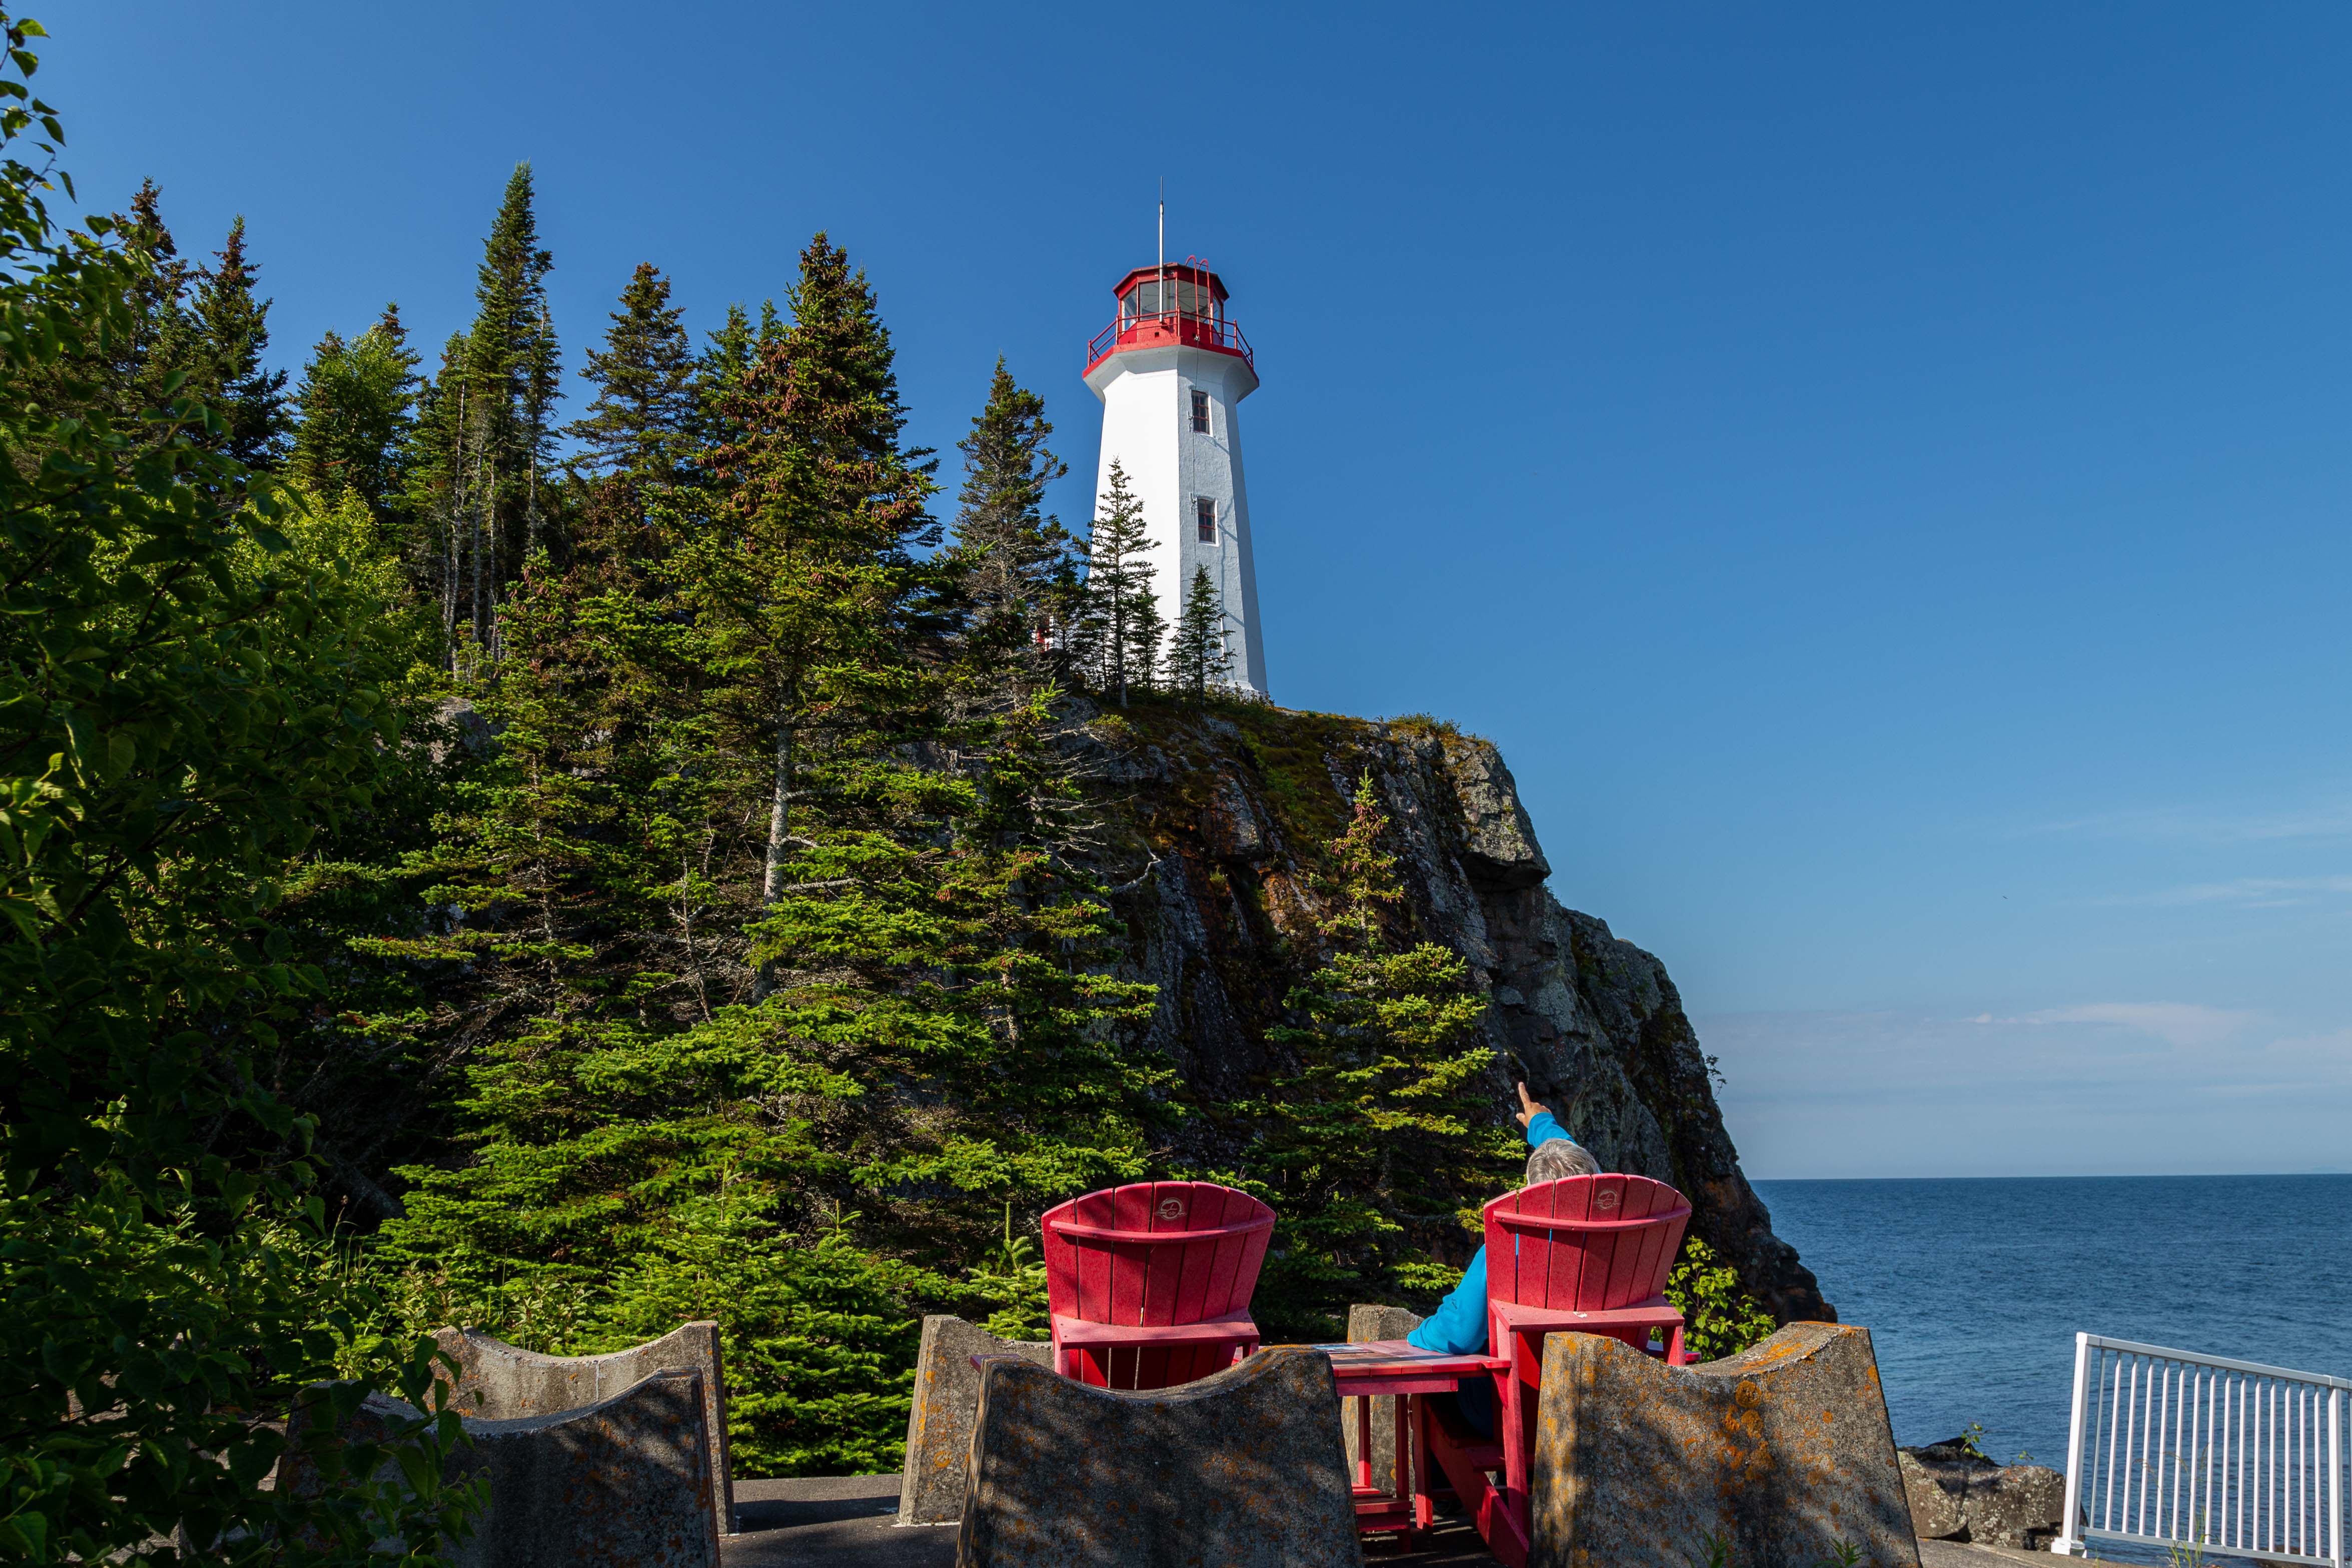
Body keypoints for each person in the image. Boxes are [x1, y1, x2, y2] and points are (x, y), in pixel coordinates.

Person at [1406, 1082, 1601, 1436]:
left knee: (1431, 1395)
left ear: (1532, 1191)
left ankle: (1460, 1478)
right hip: (1604, 1402)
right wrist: (1542, 1124)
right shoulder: (1621, 1236)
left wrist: (1417, 1335)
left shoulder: (1511, 1245)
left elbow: (1460, 1334)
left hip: (1517, 1409)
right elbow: (1576, 1170)